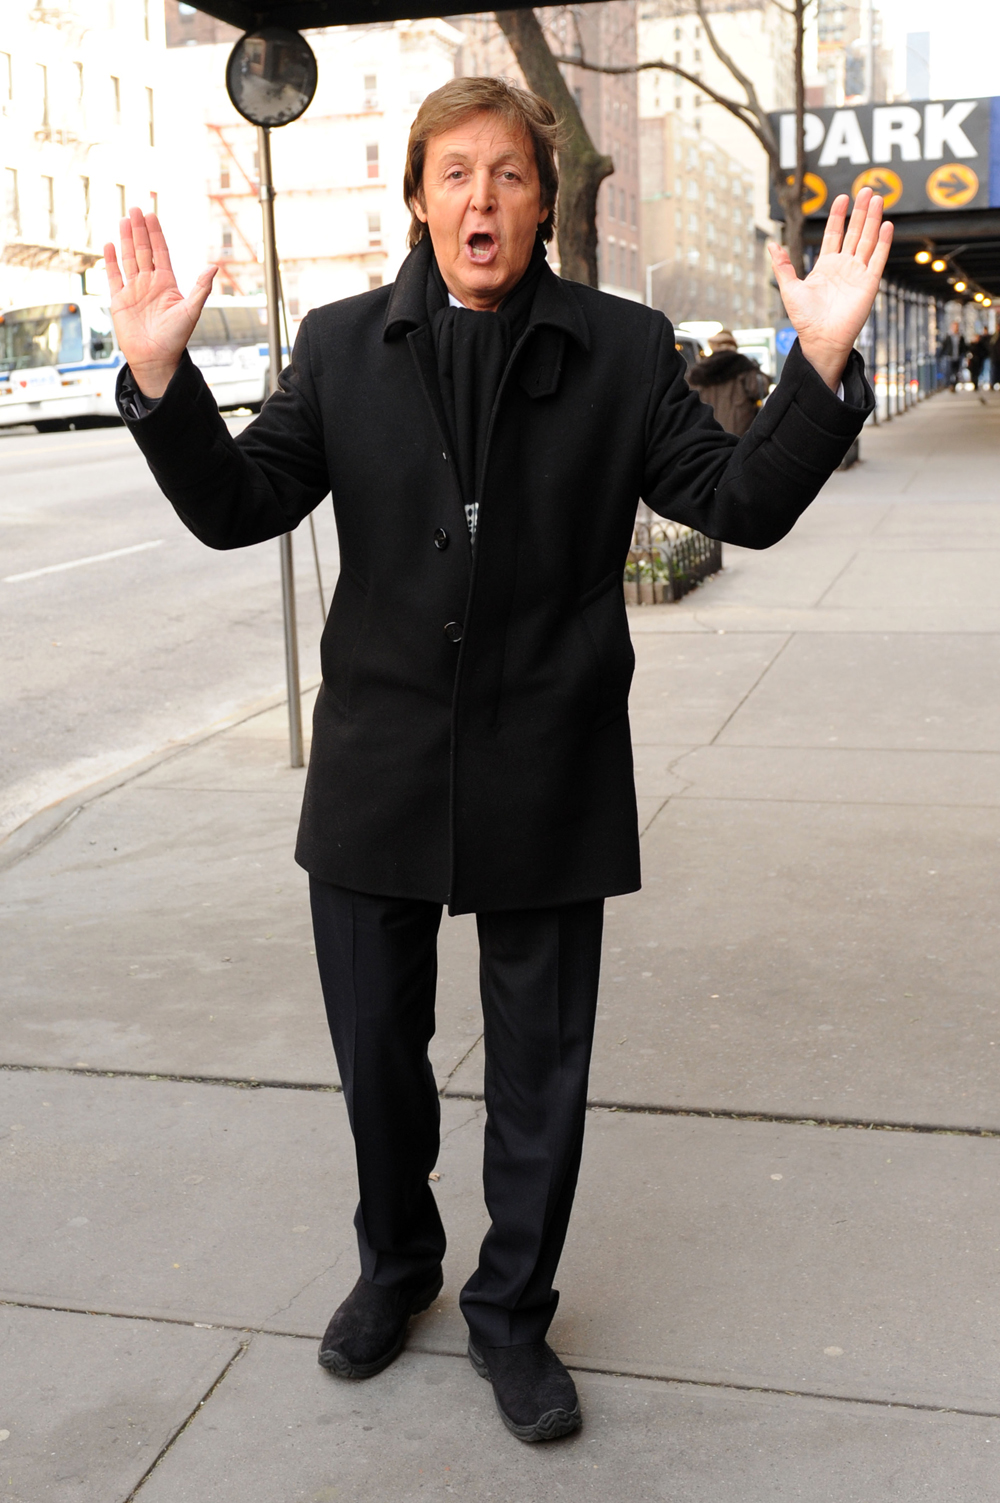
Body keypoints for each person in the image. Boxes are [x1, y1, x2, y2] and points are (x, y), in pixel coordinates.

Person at [104, 76, 889, 1445]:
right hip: (377, 772)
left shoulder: (624, 348)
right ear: (418, 197)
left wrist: (817, 368)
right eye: (456, 173)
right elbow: (241, 508)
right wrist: (164, 386)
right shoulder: (342, 346)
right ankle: (395, 1265)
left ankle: (511, 1311)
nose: (484, 198)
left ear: (543, 206)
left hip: (550, 762)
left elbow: (739, 505)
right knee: (378, 1060)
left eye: (512, 175)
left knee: (541, 1071)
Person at [685, 329, 771, 436]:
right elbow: (759, 390)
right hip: (739, 431)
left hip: (709, 432)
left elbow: (690, 400)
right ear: (733, 345)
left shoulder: (699, 370)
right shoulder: (745, 366)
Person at [938, 319, 967, 390]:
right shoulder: (948, 336)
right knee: (949, 371)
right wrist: (940, 355)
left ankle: (954, 384)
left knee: (956, 372)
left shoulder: (960, 336)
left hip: (958, 357)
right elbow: (944, 346)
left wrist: (964, 355)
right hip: (949, 357)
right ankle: (950, 385)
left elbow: (963, 347)